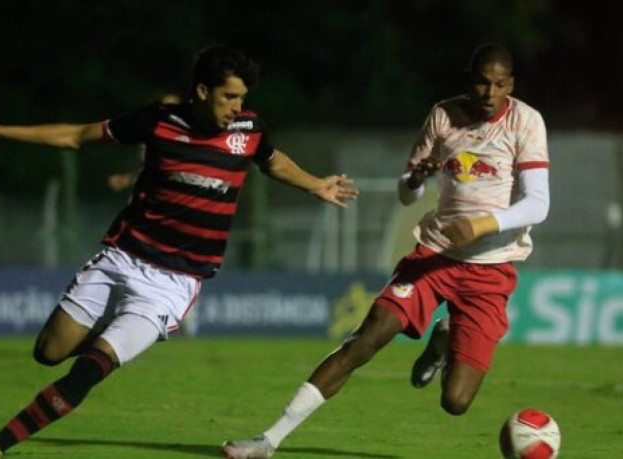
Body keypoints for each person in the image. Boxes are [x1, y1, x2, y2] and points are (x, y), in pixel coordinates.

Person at [0, 45, 358, 459]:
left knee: (89, 369)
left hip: (171, 286)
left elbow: (273, 162)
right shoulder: (159, 122)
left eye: (242, 98)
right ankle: (106, 336)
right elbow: (76, 136)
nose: (237, 107)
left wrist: (316, 184)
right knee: (48, 352)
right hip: (122, 259)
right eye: (229, 96)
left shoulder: (249, 129)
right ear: (202, 91)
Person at [221, 42, 550, 458]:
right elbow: (406, 193)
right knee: (366, 339)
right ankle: (269, 440)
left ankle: (444, 338)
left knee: (456, 401)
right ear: (469, 80)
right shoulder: (443, 115)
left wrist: (480, 225)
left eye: (499, 85)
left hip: (491, 268)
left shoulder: (525, 122)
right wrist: (416, 180)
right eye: (482, 83)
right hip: (434, 257)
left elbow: (538, 203)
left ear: (511, 85)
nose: (490, 93)